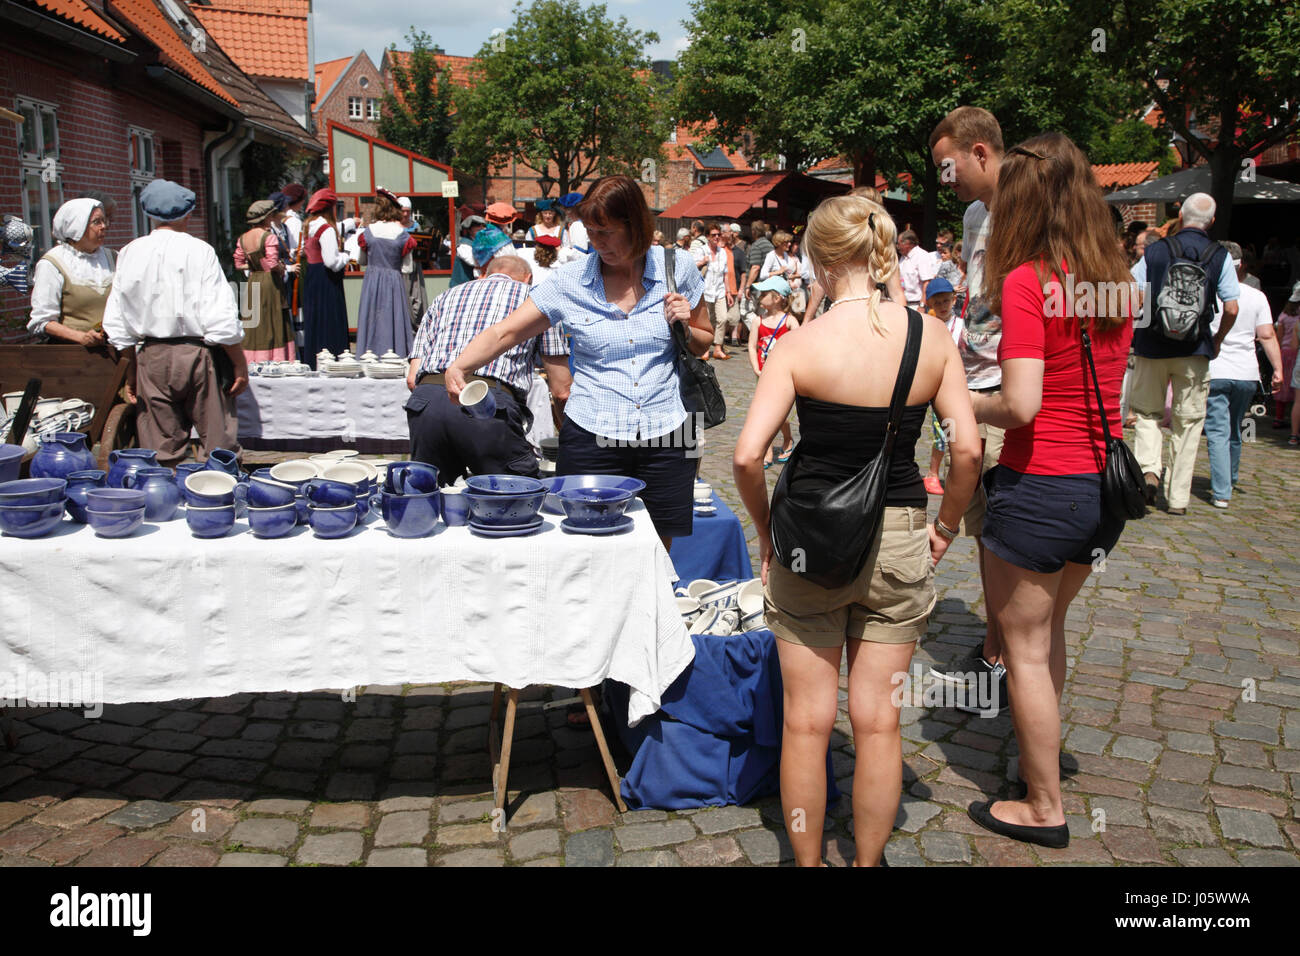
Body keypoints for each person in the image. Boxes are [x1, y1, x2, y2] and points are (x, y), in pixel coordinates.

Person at [733, 193, 980, 867]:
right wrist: (948, 526)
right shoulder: (929, 337)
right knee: (879, 723)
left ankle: (808, 863)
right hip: (900, 532)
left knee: (807, 724)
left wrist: (763, 532)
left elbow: (748, 455)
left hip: (810, 539)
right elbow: (966, 450)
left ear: (815, 256)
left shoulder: (801, 345)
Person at [963, 133, 1135, 849]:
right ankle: (1044, 759)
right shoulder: (1115, 277)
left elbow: (1024, 403)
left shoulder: (1028, 280)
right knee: (1048, 635)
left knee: (1025, 649)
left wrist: (964, 402)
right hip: (1100, 488)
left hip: (1041, 484)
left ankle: (1042, 804)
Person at [444, 175, 715, 550]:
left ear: (635, 225)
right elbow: (506, 333)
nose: (596, 242)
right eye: (590, 231)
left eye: (606, 232)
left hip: (669, 429)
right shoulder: (569, 282)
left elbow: (705, 341)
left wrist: (685, 325)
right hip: (593, 431)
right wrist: (460, 365)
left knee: (656, 547)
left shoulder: (677, 267)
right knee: (589, 547)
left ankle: (648, 609)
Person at [927, 105, 1009, 704]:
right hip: (977, 378)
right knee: (986, 527)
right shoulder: (977, 213)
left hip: (1009, 388)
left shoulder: (1029, 211)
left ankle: (1003, 654)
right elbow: (981, 300)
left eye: (947, 167)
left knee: (1002, 528)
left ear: (979, 152)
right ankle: (994, 644)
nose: (942, 181)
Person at [102, 179, 246, 466]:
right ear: (187, 214)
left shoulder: (130, 251)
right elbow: (220, 314)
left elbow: (118, 319)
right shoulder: (199, 250)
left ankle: (168, 501)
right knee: (218, 444)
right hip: (197, 354)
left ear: (150, 215)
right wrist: (239, 362)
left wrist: (131, 369)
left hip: (151, 355)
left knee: (162, 448)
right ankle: (219, 499)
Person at [404, 250, 569, 482]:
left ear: (485, 274)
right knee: (514, 498)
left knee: (432, 500)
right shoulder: (536, 299)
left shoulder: (446, 296)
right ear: (528, 278)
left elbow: (413, 377)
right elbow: (561, 390)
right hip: (487, 403)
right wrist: (570, 437)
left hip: (427, 400)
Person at [1130, 192, 1240, 514]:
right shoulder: (1219, 255)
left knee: (1148, 414)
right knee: (1188, 423)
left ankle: (1148, 470)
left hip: (1152, 347)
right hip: (1195, 350)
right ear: (1212, 222)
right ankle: (1177, 499)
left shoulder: (1155, 251)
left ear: (1180, 217)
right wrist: (1217, 340)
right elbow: (1231, 307)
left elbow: (1135, 298)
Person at [1204, 242, 1282, 507]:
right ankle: (1231, 476)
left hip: (1216, 369)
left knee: (1217, 431)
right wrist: (1278, 369)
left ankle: (1222, 491)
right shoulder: (1257, 296)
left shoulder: (1209, 290)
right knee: (1235, 428)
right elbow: (1267, 335)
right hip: (1247, 373)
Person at [28, 198, 115, 346]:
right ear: (76, 226)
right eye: (96, 222)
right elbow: (42, 321)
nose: (103, 227)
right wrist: (81, 337)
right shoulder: (53, 264)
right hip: (72, 355)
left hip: (114, 350)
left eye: (104, 221)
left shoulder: (114, 258)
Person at [355, 190, 417, 358]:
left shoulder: (368, 232)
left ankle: (369, 354)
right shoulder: (401, 235)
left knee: (372, 317)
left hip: (372, 280)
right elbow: (407, 268)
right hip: (393, 280)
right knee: (393, 317)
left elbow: (361, 261)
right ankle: (395, 354)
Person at [746, 274, 798, 466]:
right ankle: (766, 449)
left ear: (776, 298)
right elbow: (752, 346)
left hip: (782, 375)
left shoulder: (790, 322)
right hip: (762, 374)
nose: (760, 297)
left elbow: (798, 346)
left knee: (781, 414)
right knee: (764, 411)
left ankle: (787, 439)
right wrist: (755, 367)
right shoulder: (758, 321)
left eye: (764, 294)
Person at [234, 199, 293, 362]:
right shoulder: (269, 237)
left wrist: (254, 264)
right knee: (273, 320)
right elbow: (273, 263)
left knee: (254, 321)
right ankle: (276, 359)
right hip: (269, 283)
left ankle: (252, 360)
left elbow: (238, 265)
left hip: (254, 280)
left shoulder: (243, 238)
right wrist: (282, 268)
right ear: (267, 217)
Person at [300, 188, 350, 367]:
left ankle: (314, 360)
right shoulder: (326, 229)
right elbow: (332, 262)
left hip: (312, 278)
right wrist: (346, 256)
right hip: (326, 279)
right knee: (330, 320)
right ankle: (332, 358)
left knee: (315, 320)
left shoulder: (308, 227)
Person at [921, 276, 960, 495]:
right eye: (938, 303)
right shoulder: (929, 325)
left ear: (953, 300)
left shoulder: (960, 325)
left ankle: (947, 470)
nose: (943, 306)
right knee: (941, 431)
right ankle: (933, 473)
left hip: (955, 386)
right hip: (933, 384)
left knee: (951, 430)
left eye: (946, 301)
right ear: (931, 305)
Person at [699, 221, 737, 361]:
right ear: (708, 236)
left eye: (718, 234)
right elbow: (692, 267)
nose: (716, 237)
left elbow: (726, 274)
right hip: (705, 290)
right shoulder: (702, 250)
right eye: (714, 235)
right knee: (707, 321)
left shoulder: (723, 253)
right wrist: (702, 261)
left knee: (723, 318)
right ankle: (704, 349)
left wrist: (728, 292)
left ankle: (717, 348)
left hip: (719, 290)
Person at [1274, 283, 1299, 432]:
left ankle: (1279, 417)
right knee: (1296, 390)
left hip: (1283, 352)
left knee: (1282, 385)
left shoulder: (1283, 316)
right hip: (1295, 353)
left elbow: (1279, 337)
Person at [896, 229, 938, 308]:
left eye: (899, 243)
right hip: (902, 304)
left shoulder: (921, 256)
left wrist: (922, 305)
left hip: (916, 305)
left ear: (908, 243)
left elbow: (927, 282)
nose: (897, 247)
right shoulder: (903, 258)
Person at [451, 214, 487, 287]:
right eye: (477, 226)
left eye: (483, 226)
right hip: (461, 286)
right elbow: (474, 261)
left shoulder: (482, 243)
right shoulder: (464, 245)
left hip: (476, 285)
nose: (481, 228)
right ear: (469, 229)